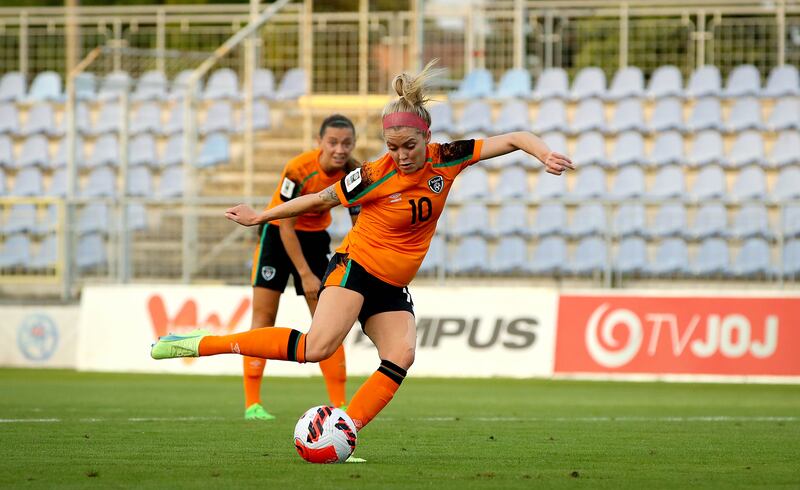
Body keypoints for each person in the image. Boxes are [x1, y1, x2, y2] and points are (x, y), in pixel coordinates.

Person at [152, 60, 573, 440]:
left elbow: (516, 137)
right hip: (355, 268)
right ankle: (202, 343)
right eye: (392, 147)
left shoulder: (448, 157)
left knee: (401, 355)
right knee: (317, 348)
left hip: (392, 285)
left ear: (426, 137)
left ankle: (343, 432)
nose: (401, 156)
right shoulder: (372, 174)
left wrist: (544, 154)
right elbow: (318, 201)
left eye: (409, 146)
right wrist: (260, 216)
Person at [242, 114, 360, 420]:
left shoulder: (355, 174)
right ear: (318, 143)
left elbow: (360, 222)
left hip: (315, 240)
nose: (339, 149)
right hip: (278, 235)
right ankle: (253, 404)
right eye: (332, 142)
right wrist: (306, 274)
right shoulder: (298, 170)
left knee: (326, 322)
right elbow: (285, 225)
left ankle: (340, 404)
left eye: (346, 143)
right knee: (263, 317)